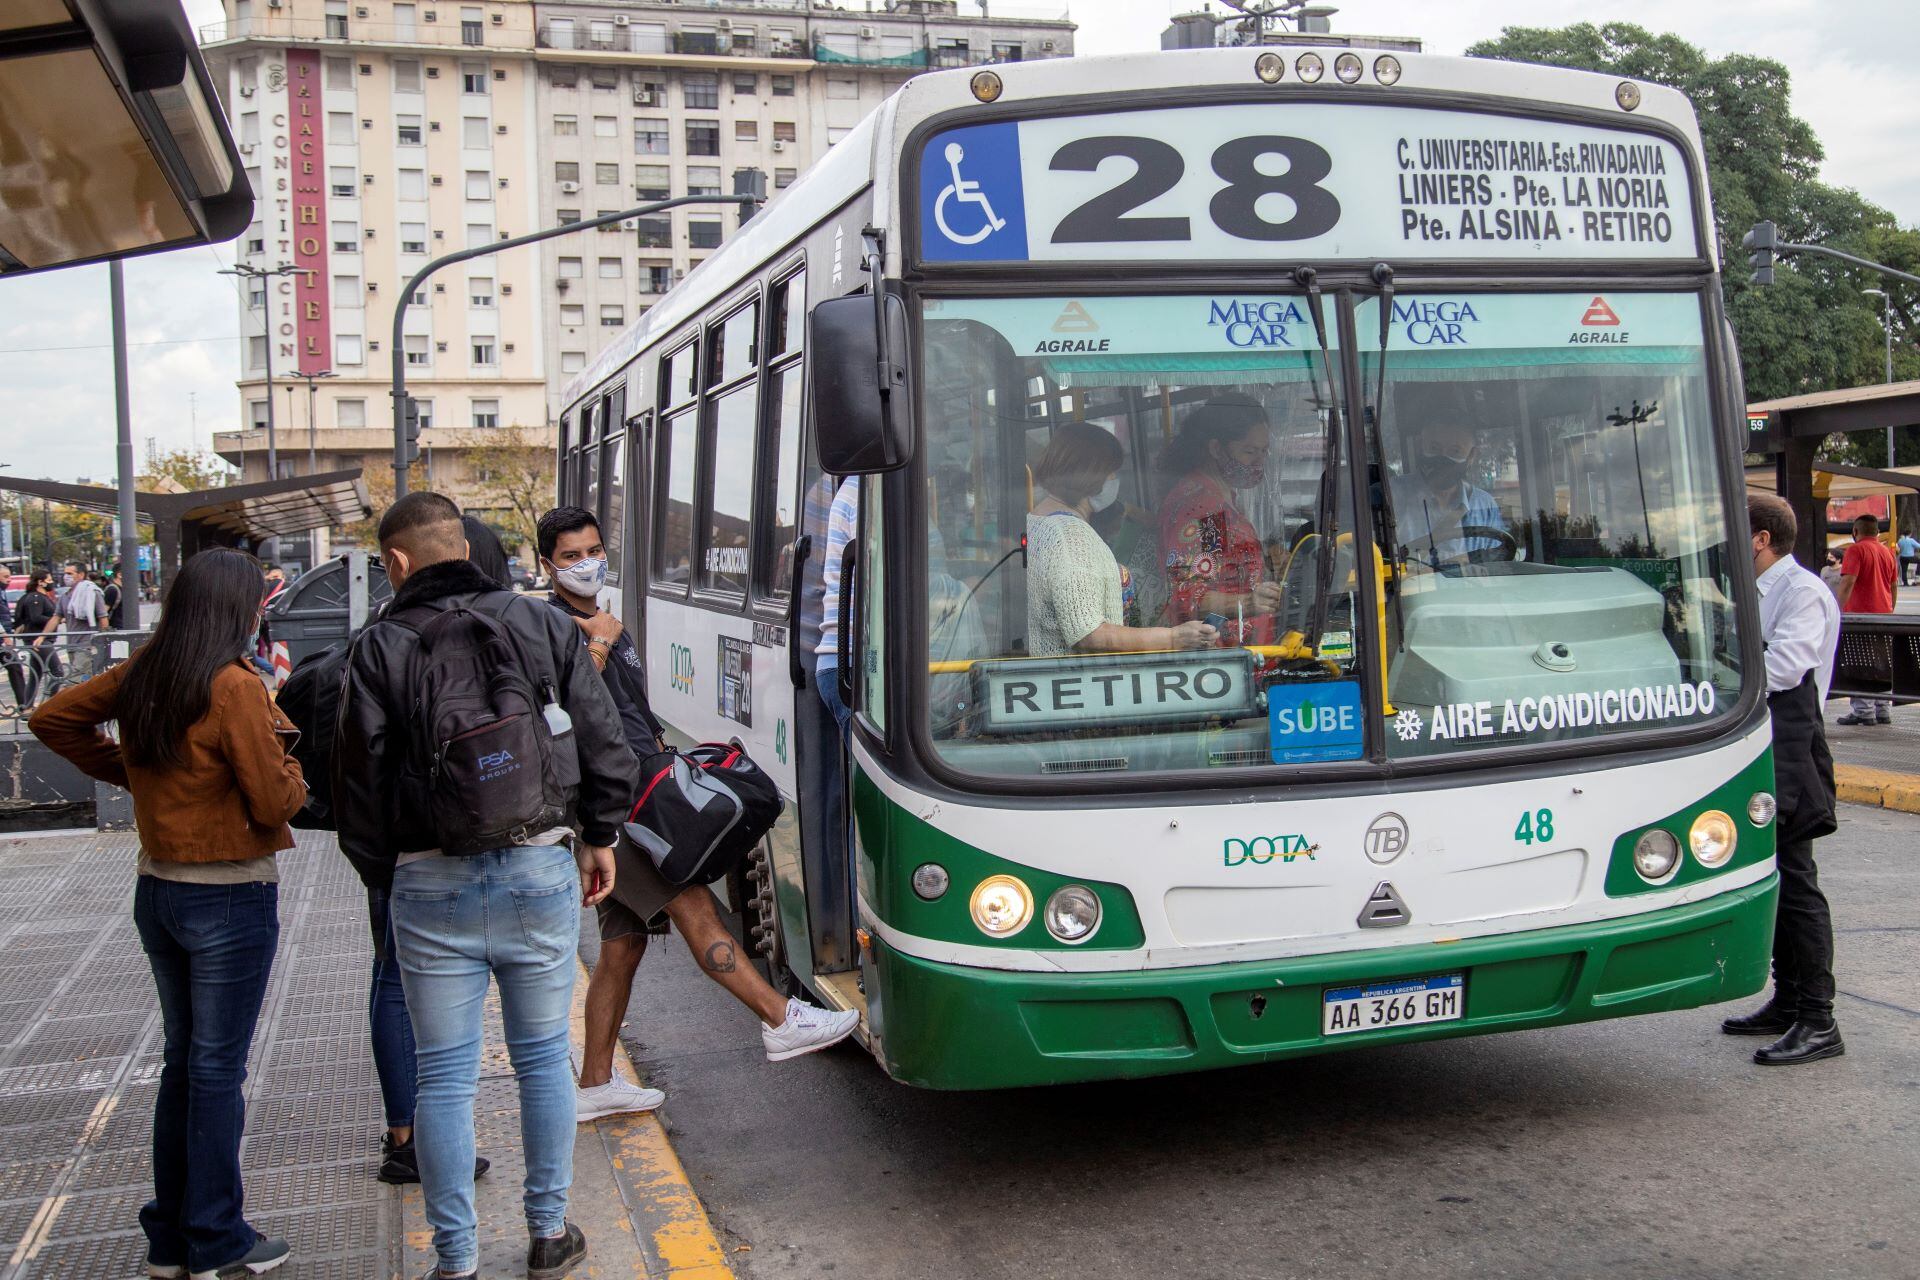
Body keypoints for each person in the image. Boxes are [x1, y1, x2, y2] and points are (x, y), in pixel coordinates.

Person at [334, 492, 636, 1280]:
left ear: (397, 563)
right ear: (466, 548)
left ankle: (456, 1259)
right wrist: (598, 837)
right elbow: (603, 740)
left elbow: (356, 789)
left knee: (443, 1073)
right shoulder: (539, 623)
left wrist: (388, 874)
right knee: (541, 1055)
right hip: (539, 863)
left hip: (426, 880)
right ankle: (547, 1233)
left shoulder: (380, 644)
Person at [30, 547, 306, 1279]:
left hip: (159, 891)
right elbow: (276, 801)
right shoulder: (233, 686)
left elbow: (52, 718)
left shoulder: (149, 669)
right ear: (237, 609)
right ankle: (217, 1238)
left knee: (183, 1065)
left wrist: (136, 774)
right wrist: (294, 768)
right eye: (257, 602)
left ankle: (171, 1238)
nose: (261, 613)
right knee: (216, 1072)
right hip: (229, 895)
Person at [535, 508, 860, 1123]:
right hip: (616, 803)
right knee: (694, 904)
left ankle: (596, 1082)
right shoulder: (554, 626)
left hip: (634, 788)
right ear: (548, 564)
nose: (587, 563)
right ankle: (781, 1018)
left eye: (594, 549)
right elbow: (560, 708)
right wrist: (599, 642)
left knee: (623, 944)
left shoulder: (600, 618)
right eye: (572, 556)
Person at [1721, 494, 1844, 1066]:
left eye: (1734, 532)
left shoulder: (1802, 594)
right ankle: (1788, 999)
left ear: (1760, 539)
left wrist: (1721, 687)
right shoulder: (1756, 593)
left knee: (1797, 885)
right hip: (1763, 744)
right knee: (1771, 873)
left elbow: (1784, 667)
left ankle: (1819, 1019)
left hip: (1792, 749)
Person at [1031, 424, 1217, 657]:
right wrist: (1174, 637)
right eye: (1112, 474)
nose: (1115, 482)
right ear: (1092, 476)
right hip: (1082, 683)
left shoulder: (1037, 521)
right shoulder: (1070, 535)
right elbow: (1089, 634)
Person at [1157, 394, 1287, 646]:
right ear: (1216, 448)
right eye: (1249, 451)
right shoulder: (1206, 510)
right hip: (1220, 661)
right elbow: (1187, 597)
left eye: (1264, 451)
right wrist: (1249, 602)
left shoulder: (1220, 499)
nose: (1260, 461)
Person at [1390, 420, 1508, 567]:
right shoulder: (1391, 497)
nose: (1442, 458)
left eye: (1455, 451)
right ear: (1420, 447)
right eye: (1434, 448)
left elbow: (1498, 567)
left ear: (1471, 456)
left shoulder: (1485, 506)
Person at [1834, 514, 1899, 726]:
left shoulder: (1855, 550)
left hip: (1859, 616)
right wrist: (1890, 609)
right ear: (1877, 532)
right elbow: (1893, 585)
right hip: (1884, 616)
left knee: (1859, 663)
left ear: (1855, 532)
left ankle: (1863, 711)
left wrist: (1836, 610)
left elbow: (1848, 582)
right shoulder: (1887, 552)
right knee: (1881, 663)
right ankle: (1882, 709)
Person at [6, 570, 61, 710]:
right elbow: (35, 617)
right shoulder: (35, 598)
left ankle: (27, 707)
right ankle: (50, 706)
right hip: (39, 640)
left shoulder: (39, 597)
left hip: (39, 640)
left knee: (35, 675)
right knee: (58, 672)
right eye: (48, 580)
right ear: (40, 582)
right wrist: (56, 620)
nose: (51, 582)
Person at [62, 561, 107, 632]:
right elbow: (56, 617)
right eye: (65, 574)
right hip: (72, 640)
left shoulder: (92, 592)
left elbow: (103, 617)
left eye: (69, 574)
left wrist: (103, 639)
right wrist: (43, 636)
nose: (66, 577)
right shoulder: (65, 595)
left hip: (89, 640)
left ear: (81, 575)